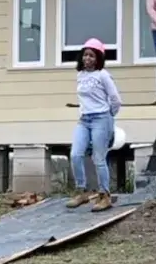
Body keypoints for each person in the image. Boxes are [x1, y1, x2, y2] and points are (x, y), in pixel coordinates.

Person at [67, 38, 122, 212]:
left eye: (91, 55)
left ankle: (104, 195)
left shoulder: (103, 75)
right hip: (84, 120)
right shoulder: (80, 75)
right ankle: (82, 191)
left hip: (101, 118)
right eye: (85, 55)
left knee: (99, 158)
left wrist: (109, 116)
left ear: (98, 58)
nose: (87, 59)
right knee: (76, 154)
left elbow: (115, 99)